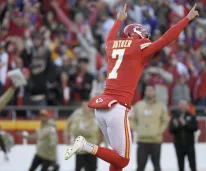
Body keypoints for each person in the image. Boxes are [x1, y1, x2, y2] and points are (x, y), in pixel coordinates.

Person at [64, 3, 199, 171]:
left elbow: (109, 38)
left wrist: (118, 20)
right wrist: (187, 19)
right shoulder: (139, 47)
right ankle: (86, 146)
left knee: (115, 159)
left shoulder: (111, 45)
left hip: (101, 108)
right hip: (116, 107)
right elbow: (167, 39)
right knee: (123, 160)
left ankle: (88, 146)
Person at [133, 84, 168, 171]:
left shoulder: (161, 106)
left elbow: (165, 121)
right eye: (147, 90)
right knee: (140, 167)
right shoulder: (138, 105)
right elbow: (133, 120)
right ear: (144, 92)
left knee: (157, 166)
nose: (149, 92)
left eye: (151, 90)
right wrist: (138, 130)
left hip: (155, 141)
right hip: (142, 140)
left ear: (155, 92)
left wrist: (159, 132)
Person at [64, 101, 101, 171]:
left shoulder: (95, 117)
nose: (85, 108)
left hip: (92, 148)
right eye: (83, 106)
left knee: (92, 168)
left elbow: (98, 130)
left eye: (87, 106)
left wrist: (101, 141)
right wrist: (66, 136)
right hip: (80, 148)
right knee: (78, 168)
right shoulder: (77, 116)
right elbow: (71, 127)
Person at [169, 100, 198, 171]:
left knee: (192, 164)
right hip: (179, 145)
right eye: (181, 104)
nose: (182, 106)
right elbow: (171, 130)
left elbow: (195, 128)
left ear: (187, 106)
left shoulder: (191, 116)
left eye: (184, 104)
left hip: (189, 145)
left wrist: (185, 124)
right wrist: (175, 126)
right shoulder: (175, 117)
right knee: (180, 165)